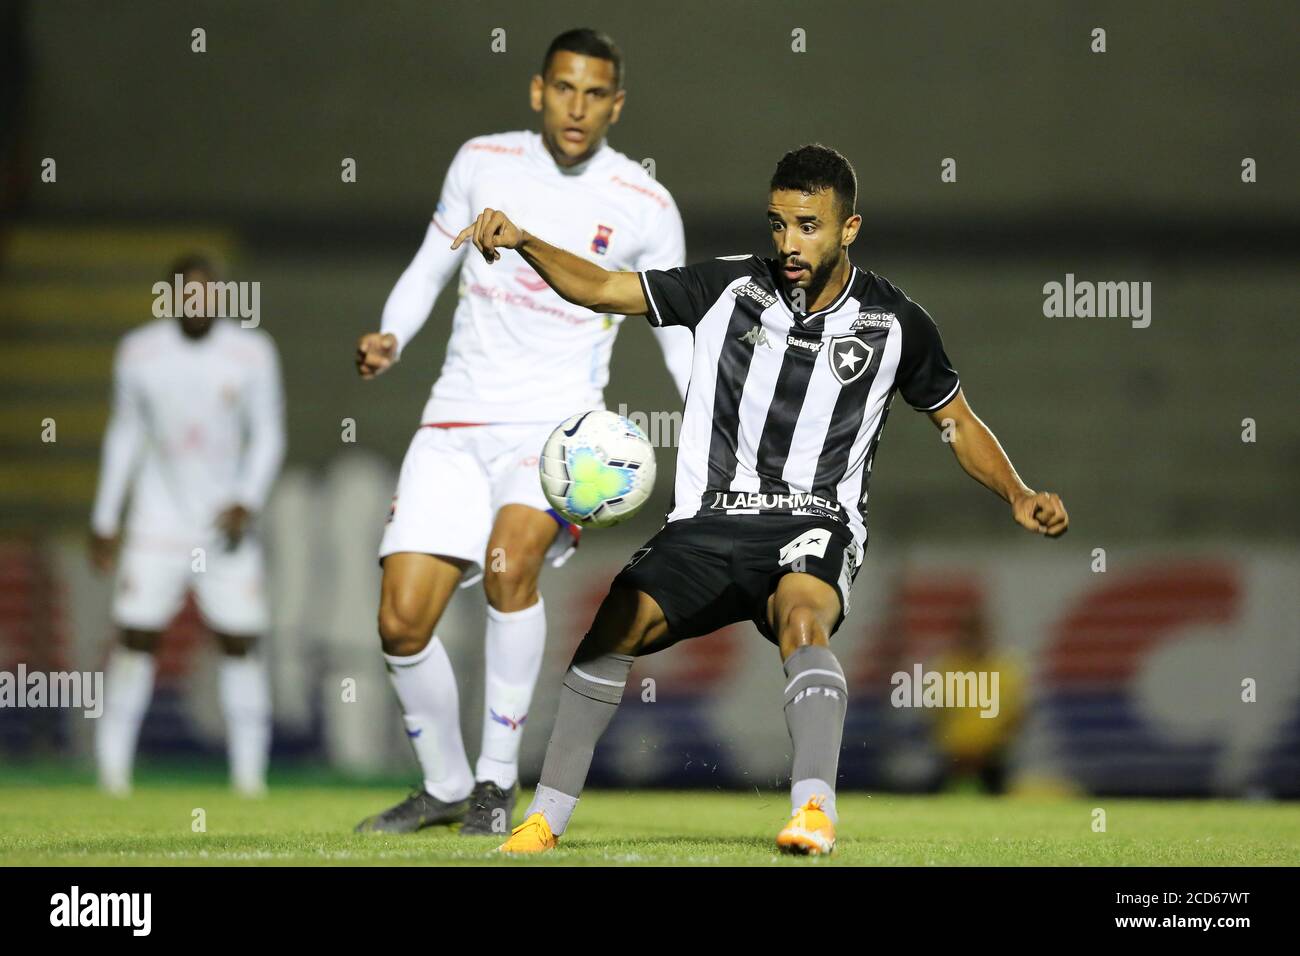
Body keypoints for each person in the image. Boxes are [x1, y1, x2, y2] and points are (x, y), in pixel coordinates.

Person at [451, 143, 1069, 855]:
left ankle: (812, 811)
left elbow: (955, 421)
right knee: (610, 627)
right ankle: (544, 821)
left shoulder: (897, 324)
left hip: (815, 522)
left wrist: (1017, 493)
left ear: (849, 229)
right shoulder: (726, 288)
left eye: (808, 225)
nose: (789, 242)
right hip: (709, 523)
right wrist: (526, 240)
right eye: (778, 224)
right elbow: (602, 289)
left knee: (803, 623)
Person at [352, 28, 692, 835]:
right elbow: (430, 264)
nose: (578, 107)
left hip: (554, 437)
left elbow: (675, 331)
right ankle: (442, 784)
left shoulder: (645, 206)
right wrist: (390, 334)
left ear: (617, 104)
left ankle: (496, 785)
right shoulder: (481, 163)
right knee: (400, 621)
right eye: (564, 89)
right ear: (538, 91)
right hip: (455, 419)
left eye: (595, 93)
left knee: (511, 564)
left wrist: (711, 427)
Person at [90, 253, 285, 797]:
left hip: (226, 527)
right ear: (170, 297)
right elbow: (125, 434)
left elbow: (269, 434)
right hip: (157, 519)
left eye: (207, 292)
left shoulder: (251, 352)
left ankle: (250, 779)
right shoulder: (140, 352)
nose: (197, 303)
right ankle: (112, 774)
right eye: (186, 293)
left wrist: (247, 498)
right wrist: (105, 517)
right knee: (135, 638)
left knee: (241, 641)